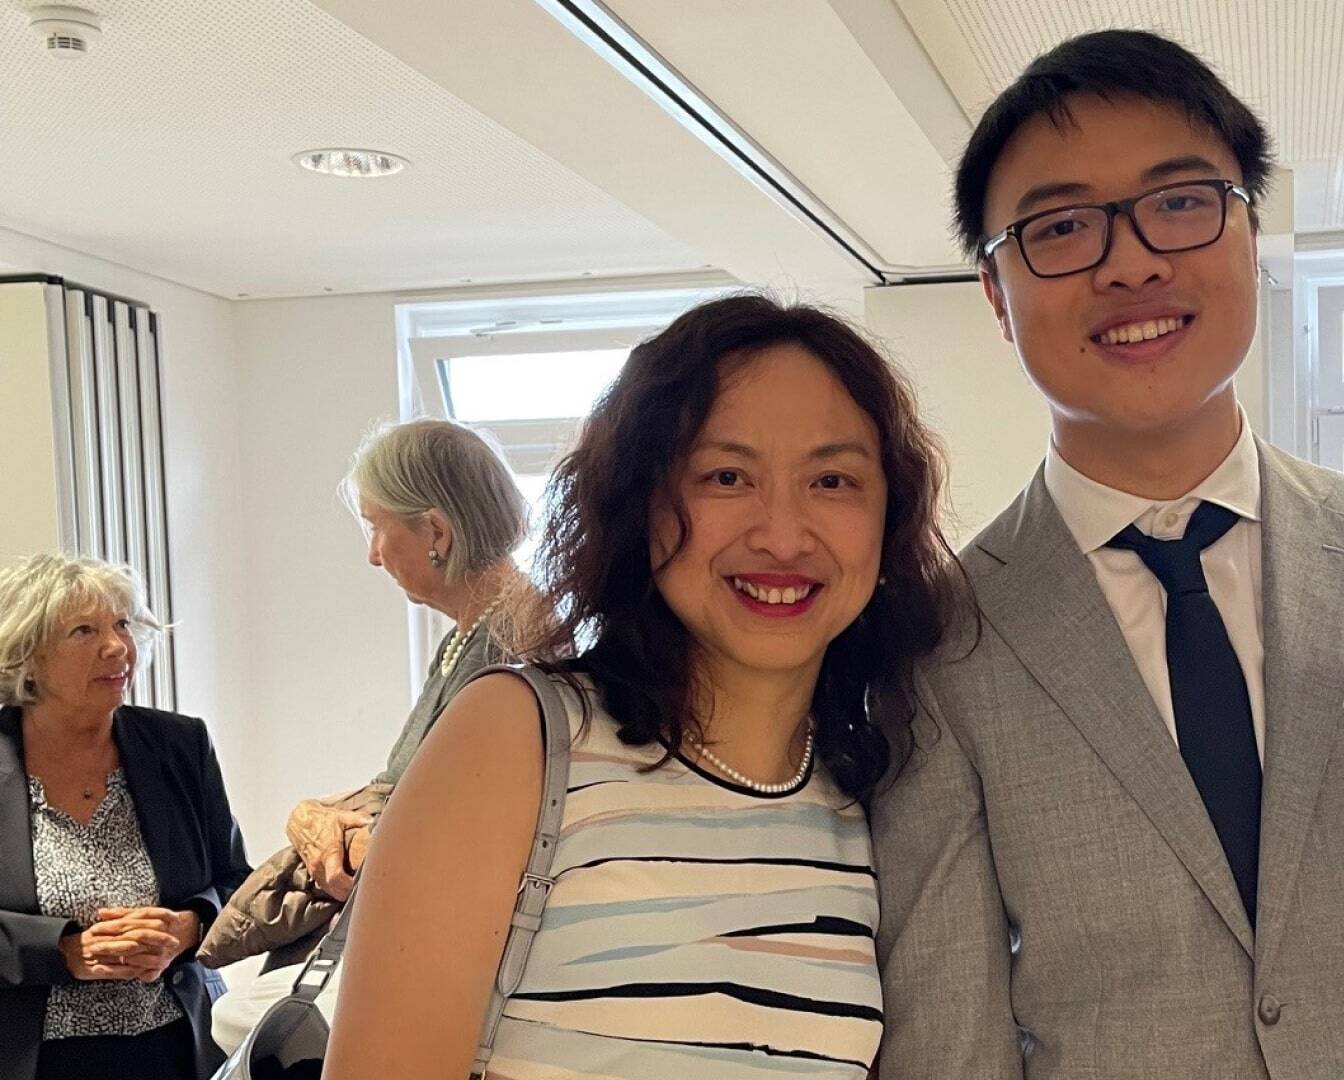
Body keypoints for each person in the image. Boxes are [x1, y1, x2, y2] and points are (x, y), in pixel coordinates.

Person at [870, 29, 1344, 1079]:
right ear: (996, 296)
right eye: (1062, 226)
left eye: (1180, 201)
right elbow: (952, 1026)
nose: (1132, 261)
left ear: (1250, 229)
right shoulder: (943, 633)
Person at [322, 294, 965, 1079]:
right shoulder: (517, 736)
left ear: (887, 518)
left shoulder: (869, 800)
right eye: (727, 476)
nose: (784, 534)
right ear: (641, 503)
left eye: (833, 481)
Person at [203, 418, 539, 1043]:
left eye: (377, 526)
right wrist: (315, 815)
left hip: (465, 944)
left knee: (247, 1024)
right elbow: (404, 786)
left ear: (435, 531)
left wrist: (348, 834)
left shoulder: (519, 640)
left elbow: (475, 823)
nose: (373, 554)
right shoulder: (472, 633)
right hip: (428, 923)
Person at [0, 554, 249, 1080]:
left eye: (123, 624)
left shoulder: (181, 744)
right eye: (84, 631)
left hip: (179, 1048)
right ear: (28, 655)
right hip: (31, 1059)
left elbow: (235, 884)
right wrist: (61, 950)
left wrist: (190, 927)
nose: (118, 647)